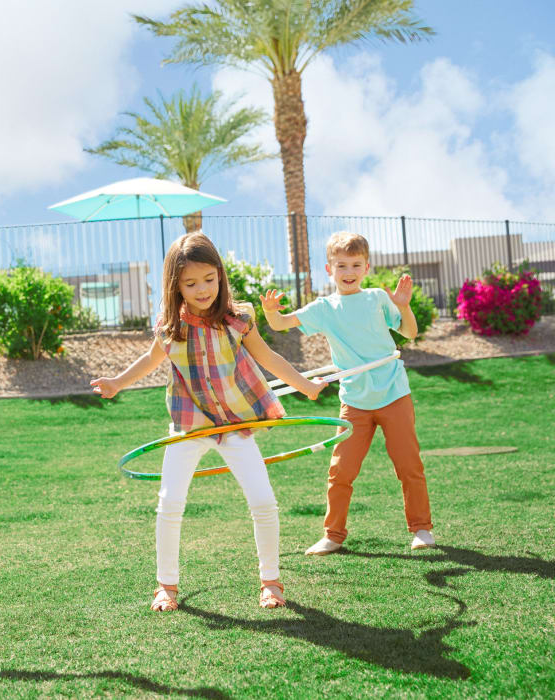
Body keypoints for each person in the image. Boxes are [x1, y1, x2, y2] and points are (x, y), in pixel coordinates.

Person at [90, 232, 326, 611]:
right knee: (170, 503)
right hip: (191, 423)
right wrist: (117, 383)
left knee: (264, 501)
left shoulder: (238, 318)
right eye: (191, 283)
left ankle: (271, 581)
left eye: (209, 280)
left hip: (233, 422)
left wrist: (305, 386)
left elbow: (269, 359)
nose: (202, 290)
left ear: (220, 275)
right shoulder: (170, 327)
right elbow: (151, 361)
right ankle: (166, 586)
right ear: (176, 286)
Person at [260, 231, 434, 555]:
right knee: (340, 471)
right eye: (342, 265)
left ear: (366, 267)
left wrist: (404, 307)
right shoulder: (325, 308)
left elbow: (410, 332)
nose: (349, 272)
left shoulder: (378, 299)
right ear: (329, 269)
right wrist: (270, 311)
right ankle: (333, 534)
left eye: (356, 264)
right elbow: (281, 323)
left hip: (393, 393)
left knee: (408, 464)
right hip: (354, 400)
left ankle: (421, 528)